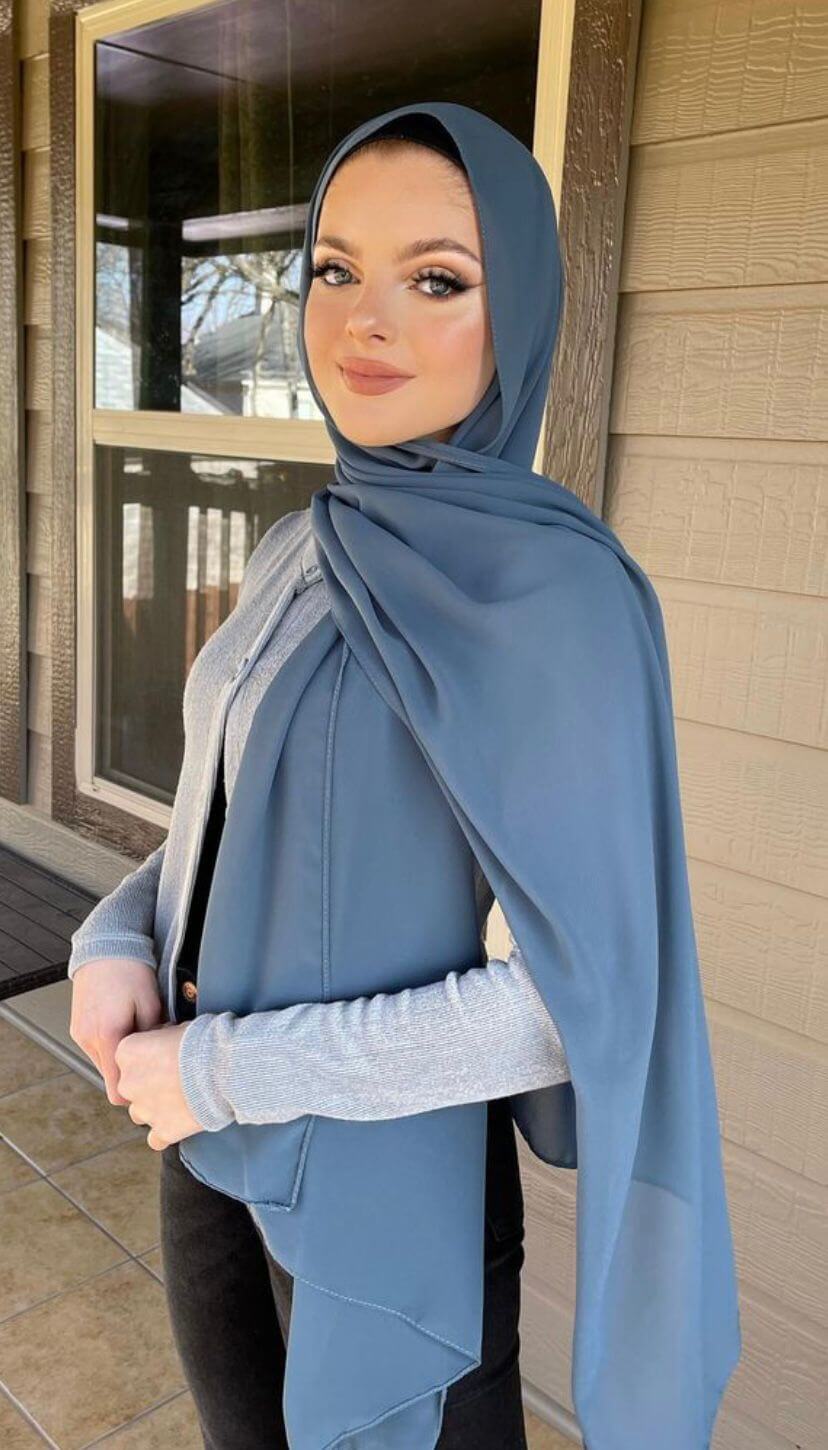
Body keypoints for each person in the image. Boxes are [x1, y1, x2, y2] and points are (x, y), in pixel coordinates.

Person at [68, 115, 573, 1448]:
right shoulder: (306, 543)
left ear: (520, 311)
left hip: (386, 1185)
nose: (366, 319)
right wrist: (113, 934)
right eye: (335, 268)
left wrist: (227, 1070)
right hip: (209, 1135)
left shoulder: (545, 609)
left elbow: (560, 1007)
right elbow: (232, 818)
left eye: (438, 277)